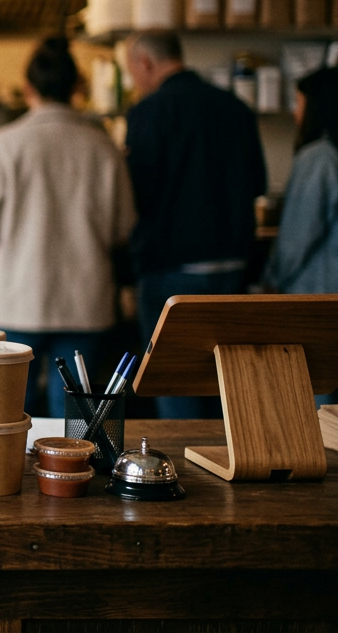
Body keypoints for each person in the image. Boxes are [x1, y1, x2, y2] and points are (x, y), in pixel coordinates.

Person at [0, 37, 135, 418]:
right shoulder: (102, 146)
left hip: (17, 300)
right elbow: (122, 228)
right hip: (84, 301)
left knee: (6, 418)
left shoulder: (4, 144)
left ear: (28, 88)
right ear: (77, 87)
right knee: (74, 425)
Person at [123, 30, 267, 419]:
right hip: (233, 264)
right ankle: (229, 463)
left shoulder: (149, 112)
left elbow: (136, 195)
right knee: (225, 380)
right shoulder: (235, 107)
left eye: (131, 71)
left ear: (145, 63)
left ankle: (182, 471)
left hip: (171, 265)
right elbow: (258, 184)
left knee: (172, 380)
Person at [265, 66, 338, 295]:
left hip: (319, 290)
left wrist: (272, 279)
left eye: (299, 103)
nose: (296, 113)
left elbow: (298, 235)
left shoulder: (318, 157)